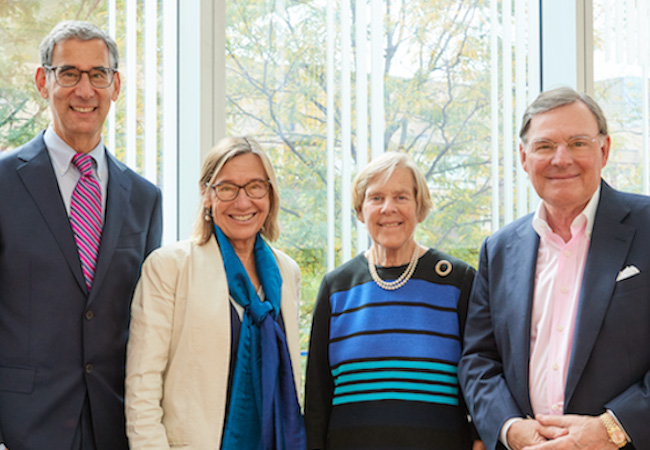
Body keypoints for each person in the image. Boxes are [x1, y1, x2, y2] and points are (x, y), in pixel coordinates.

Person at [458, 86, 650, 450]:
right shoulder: (498, 250)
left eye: (578, 143)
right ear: (523, 157)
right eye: (545, 146)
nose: (561, 159)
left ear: (604, 150)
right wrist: (510, 428)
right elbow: (479, 360)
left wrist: (613, 428)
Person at [0, 20, 162, 450]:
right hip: (22, 429)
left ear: (116, 85)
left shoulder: (145, 199)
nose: (85, 90)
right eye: (69, 73)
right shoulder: (1, 184)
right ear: (43, 81)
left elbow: (148, 329)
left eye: (98, 75)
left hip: (114, 426)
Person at [125, 136, 306, 449]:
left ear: (270, 193)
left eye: (255, 187)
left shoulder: (286, 272)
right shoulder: (169, 267)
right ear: (206, 194)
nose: (243, 201)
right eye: (227, 188)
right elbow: (143, 386)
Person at [304, 152, 483, 450]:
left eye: (401, 197)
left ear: (419, 207)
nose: (388, 208)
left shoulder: (458, 280)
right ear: (361, 211)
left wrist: (479, 440)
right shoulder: (337, 287)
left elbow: (478, 374)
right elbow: (317, 394)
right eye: (376, 198)